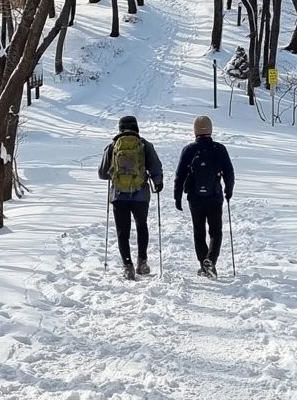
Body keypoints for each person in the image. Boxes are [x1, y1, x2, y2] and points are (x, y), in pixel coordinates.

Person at [98, 116, 163, 280]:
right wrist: (157, 182)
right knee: (141, 225)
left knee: (122, 231)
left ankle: (128, 266)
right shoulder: (144, 145)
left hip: (119, 195)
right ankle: (142, 262)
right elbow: (155, 166)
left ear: (120, 128)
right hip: (140, 195)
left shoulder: (112, 146)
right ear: (136, 127)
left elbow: (102, 173)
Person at [173, 115, 234, 278]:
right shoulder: (219, 149)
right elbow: (229, 172)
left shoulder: (189, 150)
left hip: (195, 198)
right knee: (215, 232)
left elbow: (180, 175)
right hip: (214, 196)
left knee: (198, 232)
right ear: (210, 130)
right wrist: (229, 190)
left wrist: (177, 197)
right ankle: (211, 261)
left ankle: (203, 263)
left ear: (195, 131)